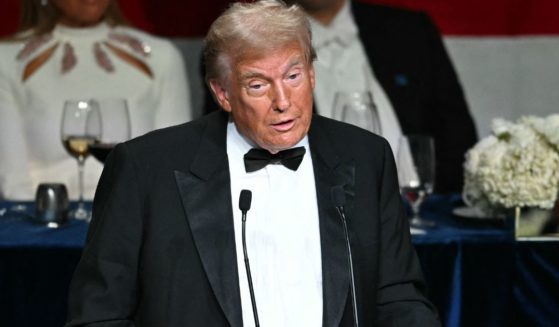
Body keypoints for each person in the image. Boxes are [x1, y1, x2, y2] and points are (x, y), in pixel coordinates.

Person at [66, 1, 440, 326]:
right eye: (258, 85)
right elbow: (98, 316)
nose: (283, 101)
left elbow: (399, 298)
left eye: (293, 76)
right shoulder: (145, 169)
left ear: (311, 74)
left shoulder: (366, 156)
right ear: (223, 93)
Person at [204, 0, 478, 193]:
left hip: (420, 223)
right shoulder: (239, 44)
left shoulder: (410, 31)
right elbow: (220, 150)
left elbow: (458, 137)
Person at [0, 0, 192, 200]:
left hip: (137, 222)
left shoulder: (161, 57)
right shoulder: (7, 61)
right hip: (43, 223)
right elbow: (14, 185)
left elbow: (173, 170)